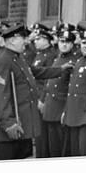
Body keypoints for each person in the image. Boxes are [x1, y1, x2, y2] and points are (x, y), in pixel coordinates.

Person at [0, 23, 40, 160]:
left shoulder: (16, 57)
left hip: (21, 124)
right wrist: (9, 123)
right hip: (10, 129)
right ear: (13, 40)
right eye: (24, 38)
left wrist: (61, 70)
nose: (27, 42)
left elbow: (34, 73)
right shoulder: (3, 60)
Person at [38, 28, 78, 157]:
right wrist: (42, 99)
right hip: (50, 104)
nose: (64, 44)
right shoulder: (57, 58)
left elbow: (73, 90)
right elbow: (48, 80)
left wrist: (66, 110)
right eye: (62, 41)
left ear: (72, 44)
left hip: (60, 106)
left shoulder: (74, 61)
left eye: (68, 42)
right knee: (48, 142)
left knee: (58, 144)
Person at [30, 24, 58, 158]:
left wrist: (42, 98)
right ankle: (40, 153)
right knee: (37, 126)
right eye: (35, 39)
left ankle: (43, 155)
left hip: (43, 94)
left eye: (39, 39)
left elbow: (49, 78)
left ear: (47, 40)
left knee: (43, 128)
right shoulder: (39, 54)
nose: (35, 41)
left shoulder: (51, 55)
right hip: (35, 92)